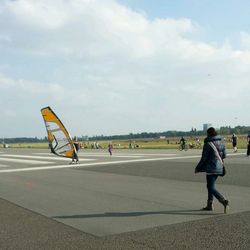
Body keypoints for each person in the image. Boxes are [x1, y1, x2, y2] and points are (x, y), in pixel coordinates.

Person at [195, 127, 229, 213]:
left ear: (209, 134)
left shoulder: (208, 144)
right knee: (211, 186)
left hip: (211, 167)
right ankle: (209, 205)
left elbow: (204, 158)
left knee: (210, 187)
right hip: (219, 167)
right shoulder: (221, 142)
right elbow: (224, 155)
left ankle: (223, 200)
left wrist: (198, 167)